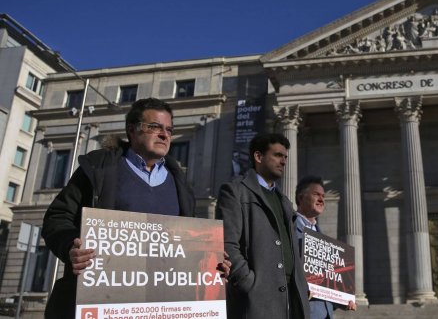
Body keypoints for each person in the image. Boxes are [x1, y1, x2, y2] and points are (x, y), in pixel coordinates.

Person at [41, 98, 229, 318]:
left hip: (161, 306)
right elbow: (57, 217)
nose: (164, 135)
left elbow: (188, 244)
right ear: (132, 130)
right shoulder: (99, 169)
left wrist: (213, 258)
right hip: (105, 303)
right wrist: (70, 247)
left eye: (169, 129)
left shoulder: (180, 184)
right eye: (155, 127)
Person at [217, 133, 310, 319]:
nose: (283, 161)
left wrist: (302, 284)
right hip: (257, 301)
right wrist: (249, 283)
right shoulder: (235, 191)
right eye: (277, 155)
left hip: (291, 298)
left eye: (285, 157)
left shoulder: (284, 201)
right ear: (258, 157)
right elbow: (227, 244)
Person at [294, 176, 357, 319]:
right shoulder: (288, 230)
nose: (322, 199)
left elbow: (327, 284)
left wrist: (342, 300)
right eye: (316, 194)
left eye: (323, 196)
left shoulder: (323, 240)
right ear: (301, 197)